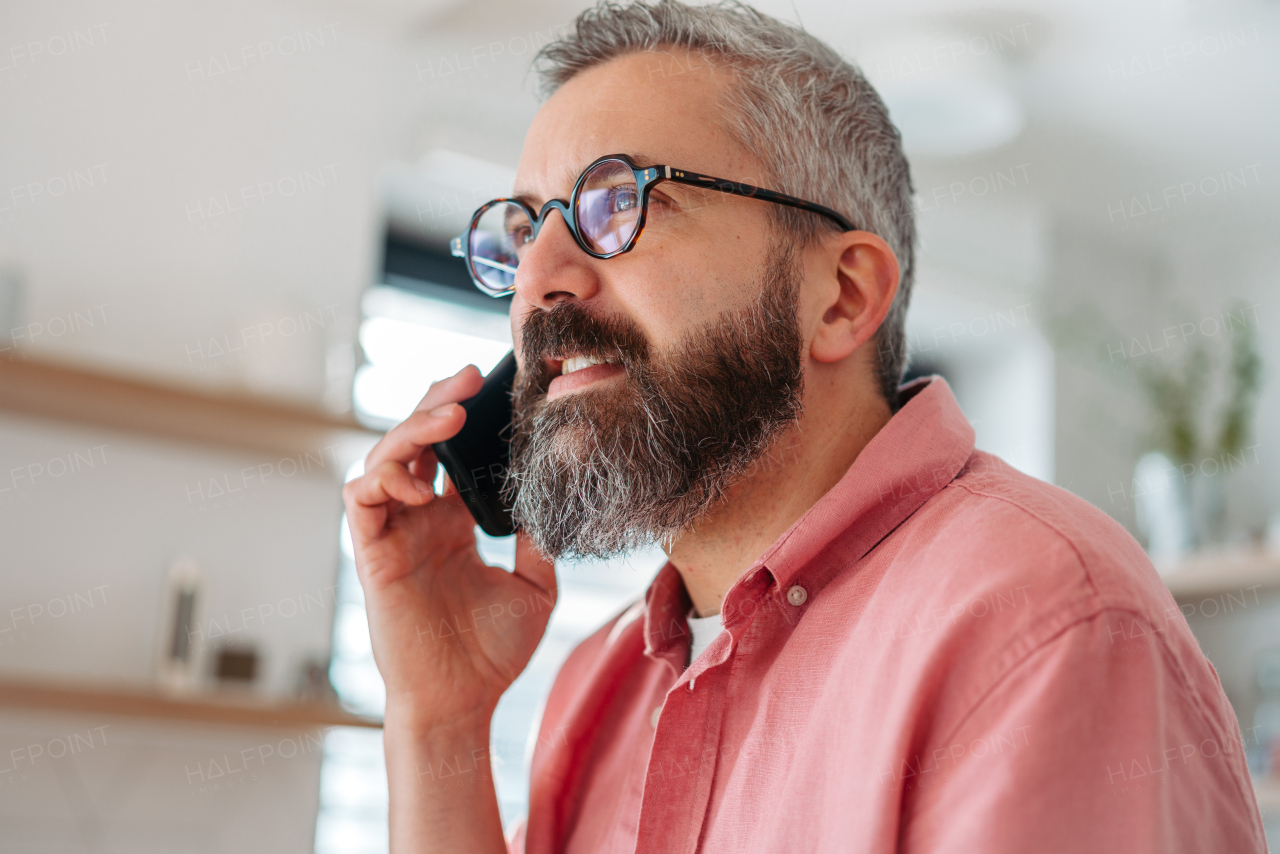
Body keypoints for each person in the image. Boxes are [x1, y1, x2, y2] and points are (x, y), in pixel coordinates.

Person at [341, 2, 1266, 851]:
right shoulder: (600, 681)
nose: (538, 277)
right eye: (524, 228)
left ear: (842, 296)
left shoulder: (1045, 622)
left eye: (616, 202)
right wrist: (438, 720)